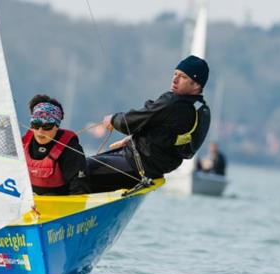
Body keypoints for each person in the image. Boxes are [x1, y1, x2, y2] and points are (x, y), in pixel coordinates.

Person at [86, 55, 211, 193]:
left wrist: (113, 119)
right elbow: (174, 139)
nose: (175, 79)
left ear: (196, 85)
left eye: (183, 77)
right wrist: (137, 138)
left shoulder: (173, 102)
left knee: (79, 168)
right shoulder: (201, 110)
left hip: (136, 165)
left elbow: (132, 122)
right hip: (154, 170)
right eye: (175, 74)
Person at [22, 94, 89, 196]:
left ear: (57, 126)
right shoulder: (23, 143)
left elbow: (79, 191)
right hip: (29, 206)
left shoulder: (70, 149)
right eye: (36, 125)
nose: (40, 131)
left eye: (47, 126)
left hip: (59, 206)